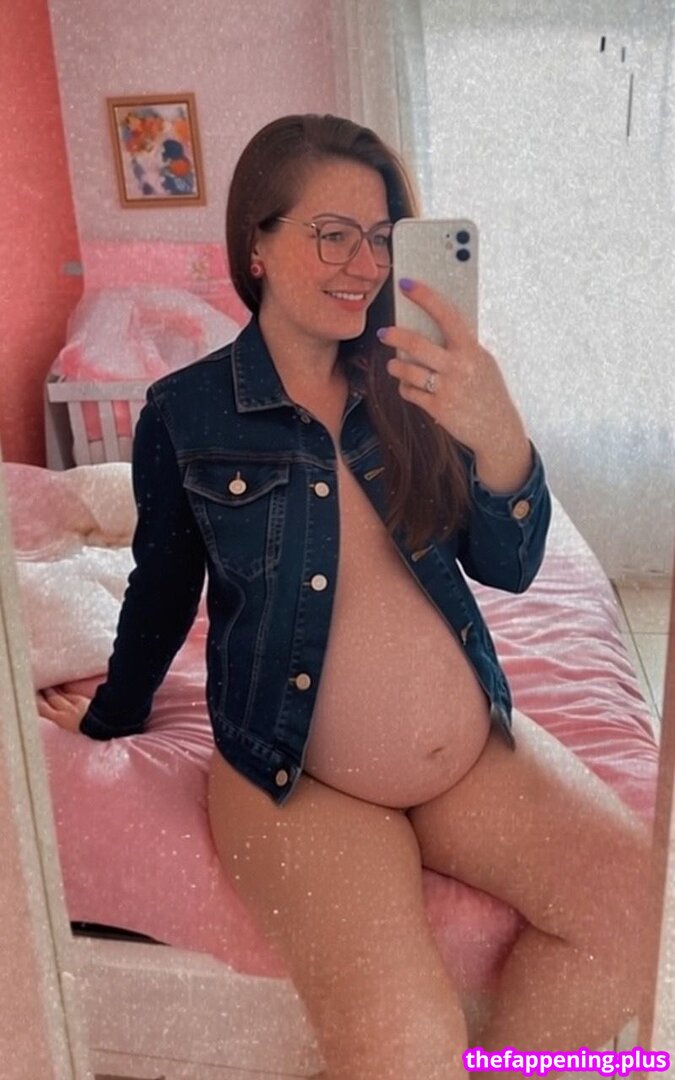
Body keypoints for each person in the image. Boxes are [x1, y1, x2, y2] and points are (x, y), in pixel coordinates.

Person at [38, 114, 651, 1080]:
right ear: (256, 244)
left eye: (380, 237)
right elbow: (160, 590)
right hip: (296, 778)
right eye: (332, 234)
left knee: (635, 908)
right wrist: (114, 714)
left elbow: (508, 565)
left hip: (470, 755)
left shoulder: (413, 382)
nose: (364, 265)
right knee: (406, 1046)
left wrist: (498, 436)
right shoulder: (185, 414)